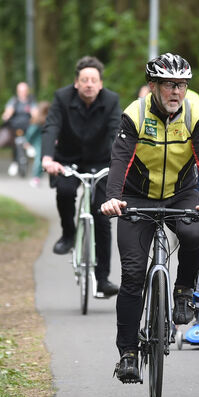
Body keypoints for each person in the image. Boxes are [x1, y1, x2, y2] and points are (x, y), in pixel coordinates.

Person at [100, 52, 199, 383]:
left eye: (181, 85)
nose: (176, 92)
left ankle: (182, 291)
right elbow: (120, 158)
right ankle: (127, 354)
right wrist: (113, 198)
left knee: (194, 234)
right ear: (153, 86)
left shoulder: (195, 112)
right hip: (136, 195)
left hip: (181, 192)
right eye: (169, 85)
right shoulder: (135, 114)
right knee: (133, 275)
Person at [41, 56, 121, 298]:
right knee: (65, 191)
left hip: (100, 162)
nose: (89, 84)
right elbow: (51, 126)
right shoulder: (62, 98)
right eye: (84, 80)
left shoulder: (111, 100)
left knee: (102, 214)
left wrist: (120, 162)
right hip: (67, 159)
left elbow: (117, 131)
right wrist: (47, 158)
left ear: (100, 84)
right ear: (76, 83)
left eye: (93, 80)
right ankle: (68, 233)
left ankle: (103, 278)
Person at [0, 82, 36, 177]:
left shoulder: (31, 101)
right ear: (17, 91)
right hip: (15, 127)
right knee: (14, 143)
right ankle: (14, 162)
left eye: (24, 91)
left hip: (27, 127)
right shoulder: (14, 101)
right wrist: (6, 115)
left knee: (34, 129)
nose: (23, 93)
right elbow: (9, 110)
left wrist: (35, 117)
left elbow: (34, 112)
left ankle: (28, 144)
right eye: (21, 91)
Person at [24, 101, 50, 187]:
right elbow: (31, 132)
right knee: (40, 160)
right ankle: (36, 177)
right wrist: (27, 141)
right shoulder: (39, 120)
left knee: (40, 160)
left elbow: (30, 133)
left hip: (41, 143)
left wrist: (27, 141)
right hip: (39, 143)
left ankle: (37, 177)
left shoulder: (41, 119)